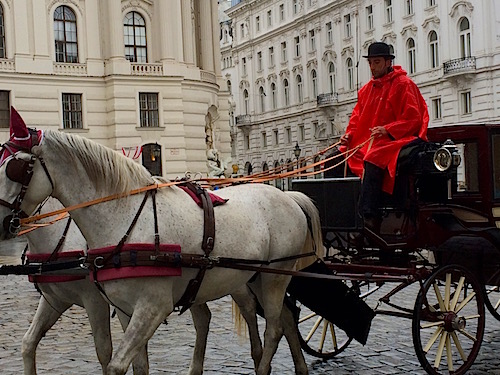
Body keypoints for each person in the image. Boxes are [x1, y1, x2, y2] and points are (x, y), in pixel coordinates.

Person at [338, 41, 429, 232]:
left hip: (399, 139)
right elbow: (356, 118)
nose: (372, 67)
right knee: (338, 158)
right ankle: (338, 214)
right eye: (370, 63)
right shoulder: (366, 90)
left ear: (388, 62)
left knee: (373, 158)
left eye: (376, 62)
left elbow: (413, 119)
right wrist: (349, 136)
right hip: (370, 141)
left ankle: (369, 215)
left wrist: (388, 129)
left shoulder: (404, 84)